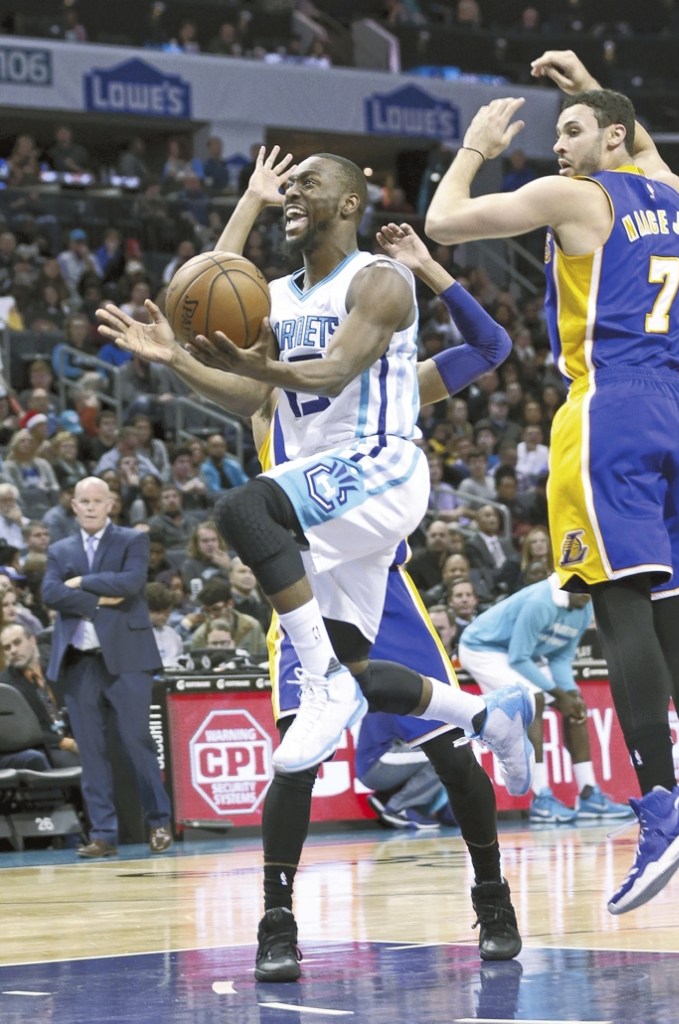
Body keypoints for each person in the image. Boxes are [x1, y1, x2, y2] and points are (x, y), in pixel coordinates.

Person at [97, 205, 537, 977]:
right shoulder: (275, 386)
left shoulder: (388, 384)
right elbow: (226, 322)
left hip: (366, 556)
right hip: (298, 569)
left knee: (444, 755)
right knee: (294, 758)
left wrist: (426, 268)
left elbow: (488, 348)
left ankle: (492, 896)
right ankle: (277, 923)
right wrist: (174, 353)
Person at [426, 48, 679, 915]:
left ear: (609, 139)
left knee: (618, 610)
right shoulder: (676, 195)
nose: (557, 144)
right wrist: (592, 94)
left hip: (608, 403)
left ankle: (660, 810)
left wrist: (475, 145)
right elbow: (641, 144)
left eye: (571, 130)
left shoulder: (576, 197)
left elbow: (443, 221)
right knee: (678, 616)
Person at [41, 476, 173, 858]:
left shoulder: (133, 540)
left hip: (128, 659)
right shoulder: (59, 549)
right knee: (91, 751)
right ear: (73, 506)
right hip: (80, 662)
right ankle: (103, 834)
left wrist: (80, 582)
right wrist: (97, 600)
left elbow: (130, 584)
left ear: (110, 504)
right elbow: (49, 592)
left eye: (97, 500)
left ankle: (159, 821)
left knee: (137, 740)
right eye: (83, 501)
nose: (90, 507)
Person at [459, 575, 632, 824]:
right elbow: (519, 657)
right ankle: (541, 799)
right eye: (585, 590)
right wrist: (558, 695)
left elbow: (561, 657)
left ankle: (589, 794)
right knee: (534, 699)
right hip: (482, 648)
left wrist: (569, 693)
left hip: (523, 654)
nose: (588, 597)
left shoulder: (584, 606)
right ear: (570, 584)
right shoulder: (540, 602)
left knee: (576, 706)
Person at [0, 622, 80, 769]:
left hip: (76, 735)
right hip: (45, 747)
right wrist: (67, 743)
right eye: (7, 647)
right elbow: (24, 729)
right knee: (78, 764)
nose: (13, 651)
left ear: (32, 640)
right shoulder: (5, 685)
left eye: (17, 642)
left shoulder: (56, 667)